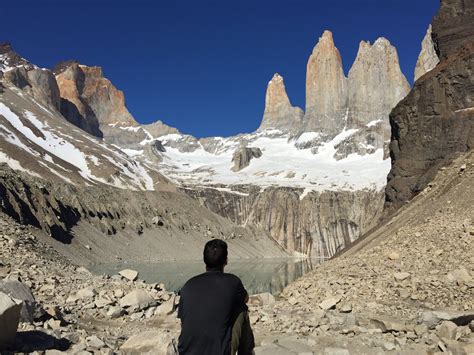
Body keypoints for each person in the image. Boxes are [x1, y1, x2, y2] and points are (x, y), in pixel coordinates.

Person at [178, 239, 255, 355]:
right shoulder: (232, 281)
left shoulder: (188, 285)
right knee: (242, 308)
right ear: (226, 260)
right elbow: (246, 299)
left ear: (204, 260)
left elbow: (183, 320)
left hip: (186, 352)